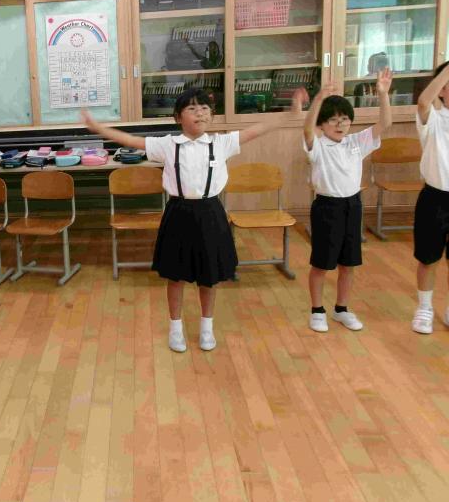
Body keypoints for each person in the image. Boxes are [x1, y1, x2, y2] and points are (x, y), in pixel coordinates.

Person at [82, 87, 299, 352]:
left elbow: (258, 129)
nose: (200, 113)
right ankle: (175, 328)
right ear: (178, 117)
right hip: (178, 213)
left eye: (205, 108)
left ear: (212, 116)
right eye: (192, 108)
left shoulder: (221, 143)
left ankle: (207, 327)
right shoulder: (167, 145)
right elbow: (129, 140)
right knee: (176, 275)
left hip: (211, 213)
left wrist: (290, 114)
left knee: (209, 275)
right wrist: (97, 127)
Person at [299, 69, 393, 334]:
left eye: (344, 119)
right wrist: (318, 100)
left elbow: (385, 124)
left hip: (353, 205)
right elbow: (307, 129)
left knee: (348, 263)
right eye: (333, 120)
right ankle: (317, 310)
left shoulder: (356, 142)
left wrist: (383, 94)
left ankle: (341, 309)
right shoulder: (317, 145)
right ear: (322, 125)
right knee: (321, 264)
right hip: (327, 207)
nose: (340, 124)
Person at [411, 62, 449, 334]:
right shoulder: (434, 119)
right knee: (428, 258)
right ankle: (424, 308)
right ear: (442, 89)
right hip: (435, 199)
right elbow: (424, 101)